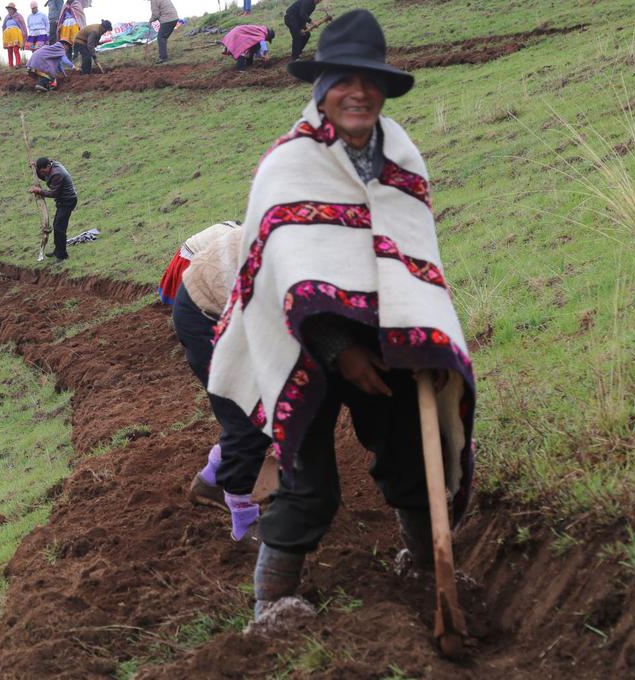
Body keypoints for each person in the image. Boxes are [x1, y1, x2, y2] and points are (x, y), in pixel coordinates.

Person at [206, 10, 476, 625]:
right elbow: (278, 277)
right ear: (320, 88)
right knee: (308, 482)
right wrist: (338, 351)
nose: (357, 92)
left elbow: (414, 262)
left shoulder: (402, 158)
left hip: (386, 335)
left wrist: (425, 341)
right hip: (299, 344)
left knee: (411, 447)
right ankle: (271, 605)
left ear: (383, 88)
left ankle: (427, 564)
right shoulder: (288, 165)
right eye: (342, 79)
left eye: (370, 80)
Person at [169, 224, 270, 543]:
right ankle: (244, 521)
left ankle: (212, 478)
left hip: (238, 304)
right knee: (249, 415)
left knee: (271, 406)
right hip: (206, 313)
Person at [157, 220, 240, 305]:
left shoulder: (230, 225)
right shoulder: (235, 237)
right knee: (192, 303)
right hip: (190, 261)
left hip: (189, 253)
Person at [30, 157, 76, 262]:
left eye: (43, 171)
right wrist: (35, 169)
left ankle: (62, 255)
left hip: (67, 201)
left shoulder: (57, 174)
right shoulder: (52, 165)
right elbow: (44, 175)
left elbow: (54, 193)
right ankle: (58, 250)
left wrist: (39, 191)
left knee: (59, 228)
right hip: (63, 201)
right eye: (40, 171)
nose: (42, 174)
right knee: (57, 226)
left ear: (47, 166)